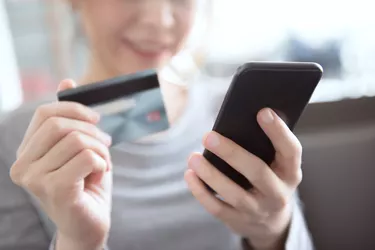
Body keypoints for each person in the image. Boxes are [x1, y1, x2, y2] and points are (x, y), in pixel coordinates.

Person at [0, 1, 314, 249]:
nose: (159, 20)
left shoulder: (239, 113)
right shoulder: (17, 140)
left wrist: (275, 231)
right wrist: (80, 244)